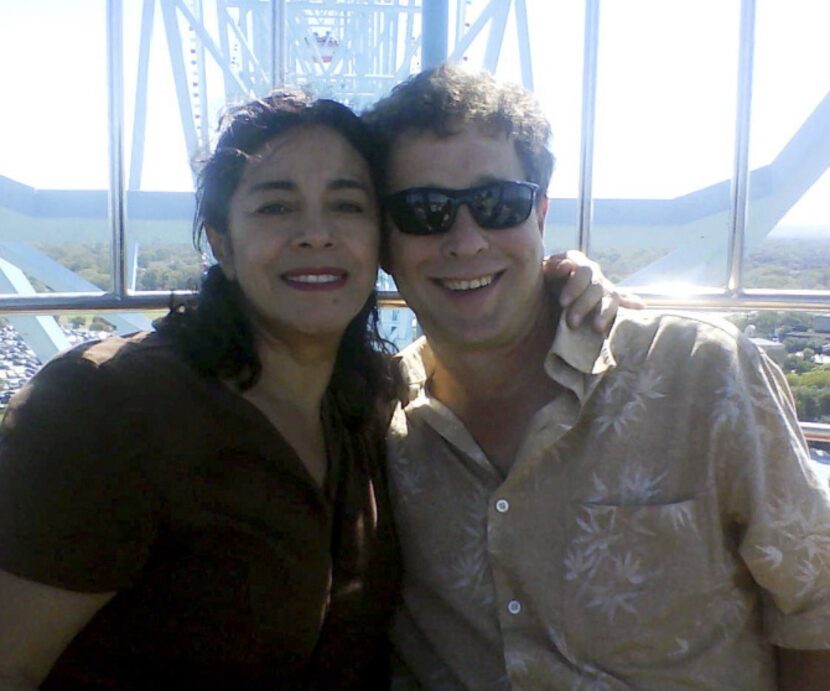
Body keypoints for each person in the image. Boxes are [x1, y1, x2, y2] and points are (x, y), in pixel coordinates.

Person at [0, 90, 615, 689]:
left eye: (347, 206)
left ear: (381, 241)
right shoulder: (105, 407)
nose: (316, 234)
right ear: (221, 242)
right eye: (275, 207)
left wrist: (557, 286)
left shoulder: (381, 404)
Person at [363, 64, 830, 690]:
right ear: (384, 243)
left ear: (541, 215)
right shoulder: (377, 421)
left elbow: (817, 612)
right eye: (424, 212)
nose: (466, 240)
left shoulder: (702, 376)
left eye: (499, 203)